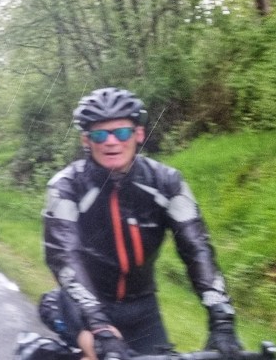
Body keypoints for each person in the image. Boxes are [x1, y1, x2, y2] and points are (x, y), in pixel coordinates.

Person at [35, 87, 242, 360]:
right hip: (86, 304)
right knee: (101, 354)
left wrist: (221, 315)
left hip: (142, 309)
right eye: (100, 135)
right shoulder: (66, 186)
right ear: (86, 140)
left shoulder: (167, 182)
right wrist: (100, 326)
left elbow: (196, 248)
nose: (111, 142)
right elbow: (64, 256)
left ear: (139, 134)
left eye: (122, 133)